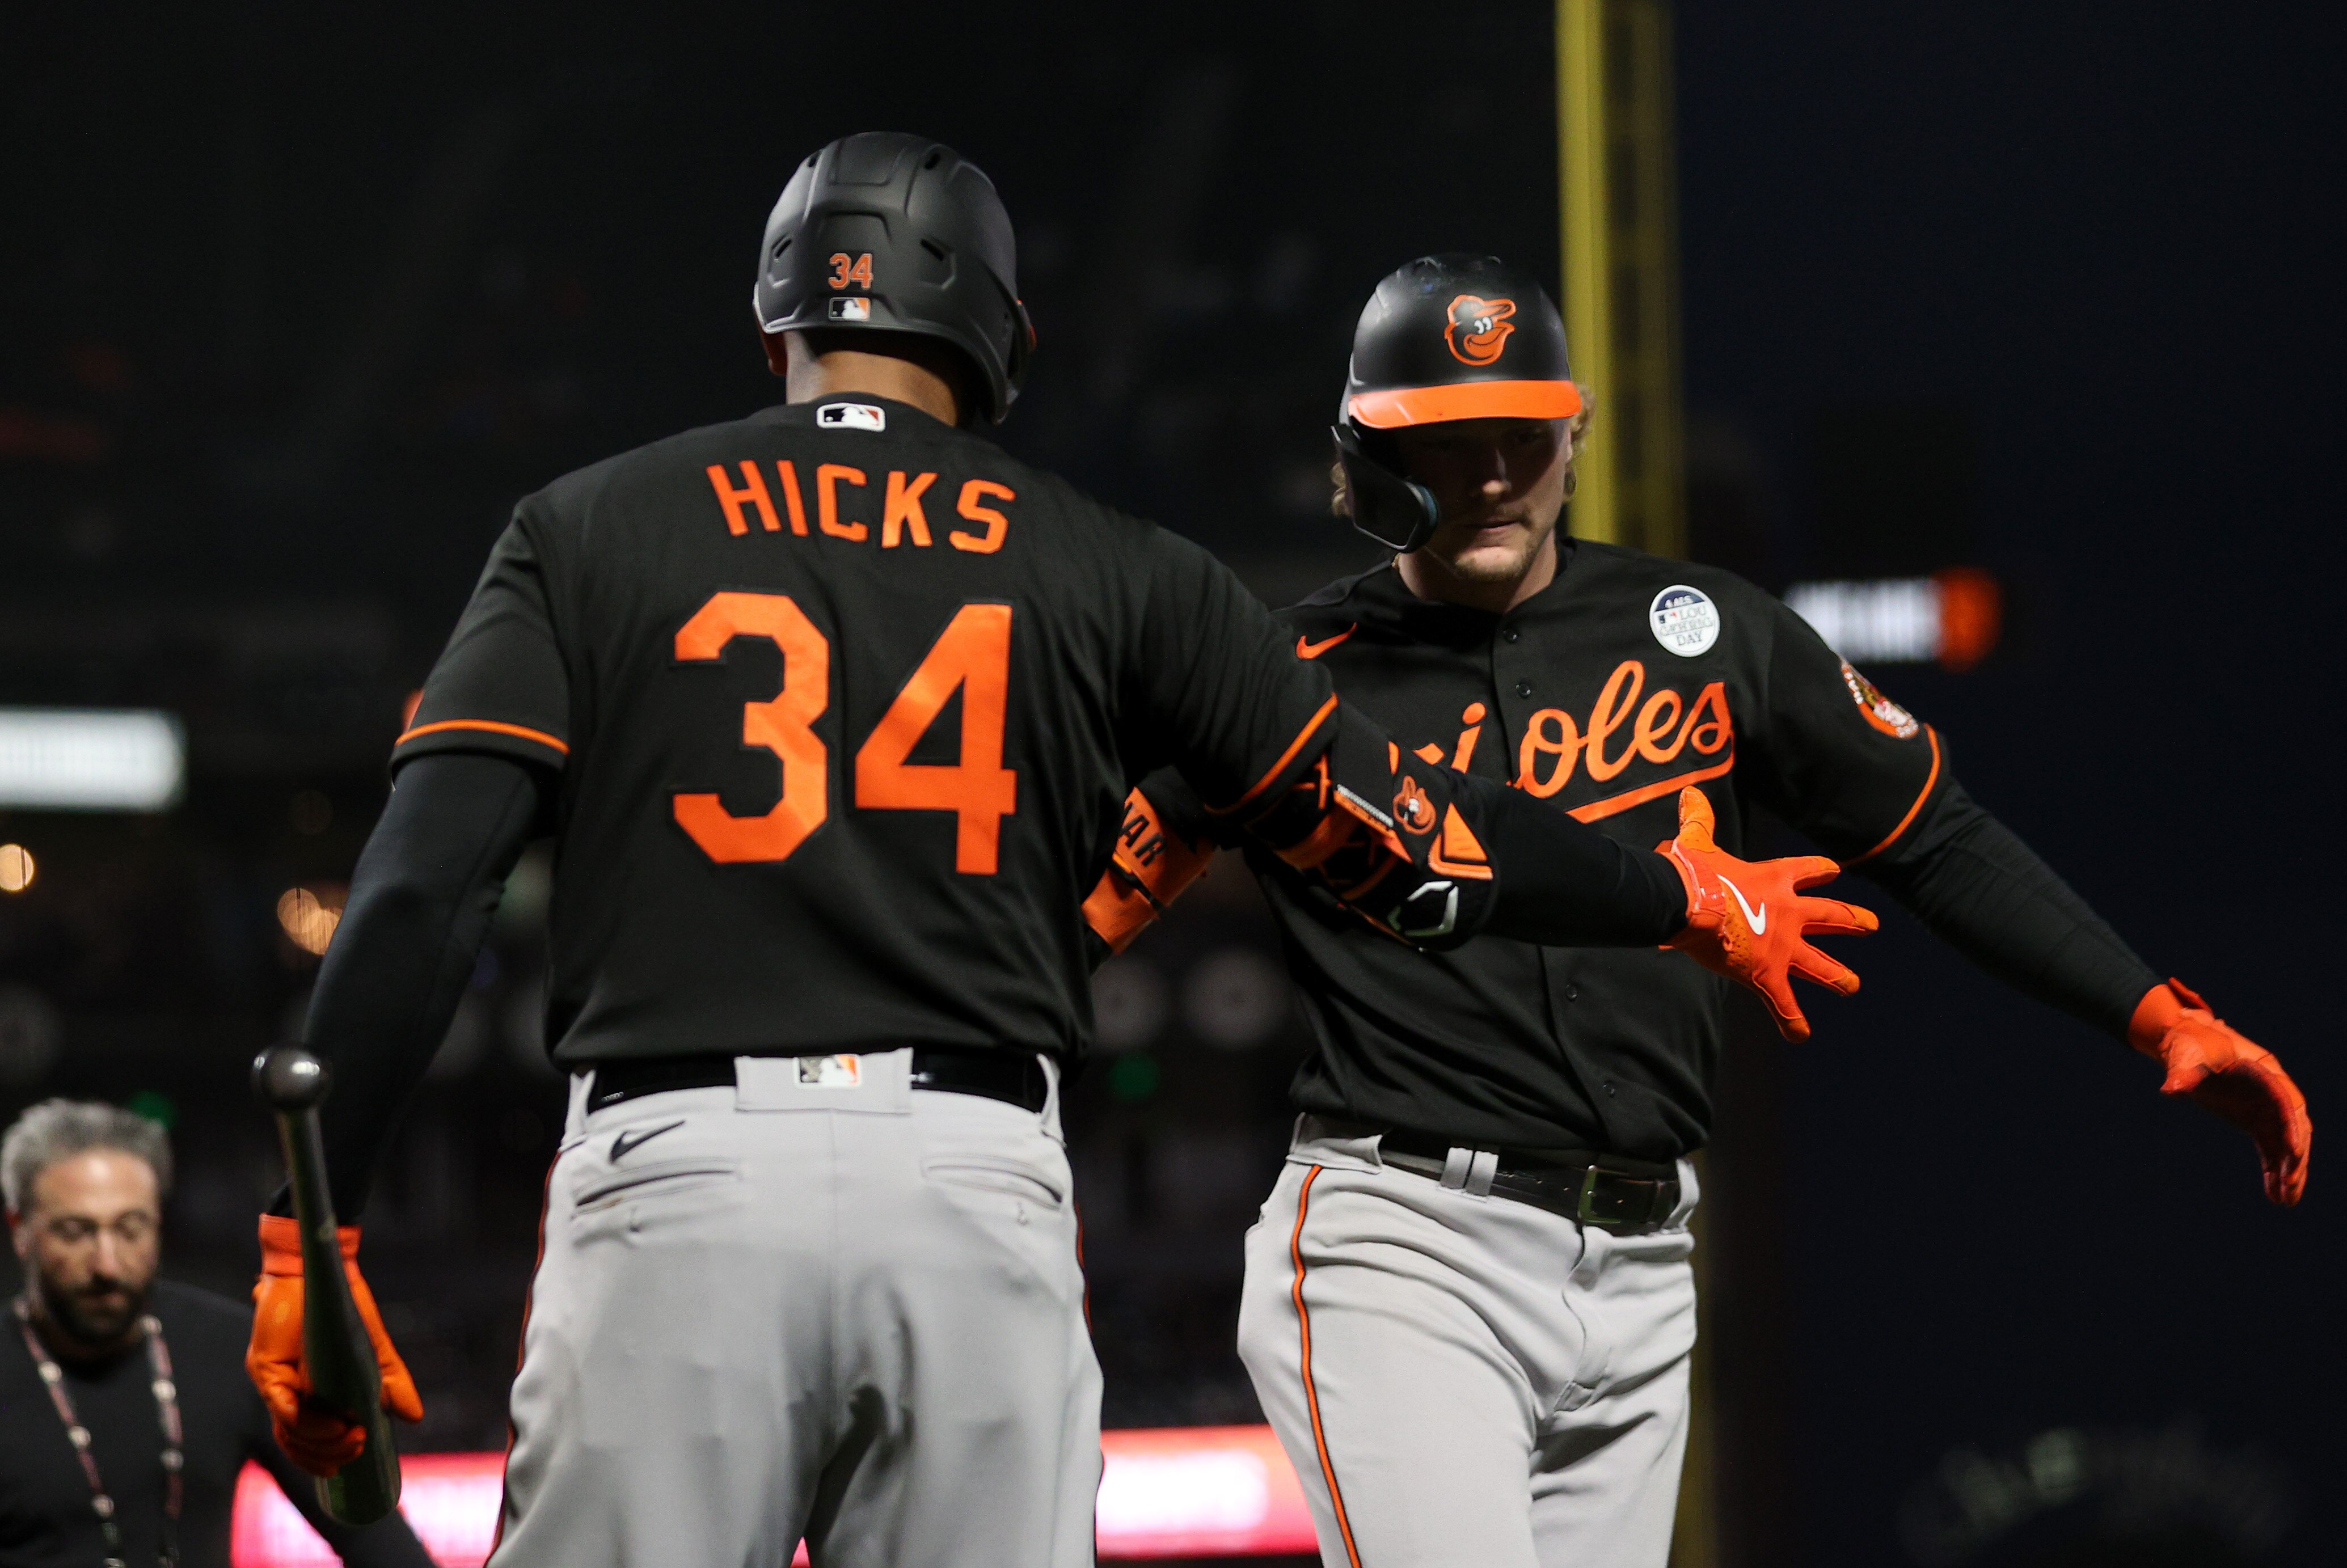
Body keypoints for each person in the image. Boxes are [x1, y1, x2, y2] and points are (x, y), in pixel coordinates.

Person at [243, 138, 1875, 1568]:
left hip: (677, 1177)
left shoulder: (587, 524)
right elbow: (1411, 835)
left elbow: (419, 889)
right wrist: (1675, 883)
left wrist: (303, 1229)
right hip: (972, 1186)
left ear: (779, 326)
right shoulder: (1108, 561)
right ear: (996, 336)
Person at [1086, 253, 2313, 1568]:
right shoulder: (1287, 676)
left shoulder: (1705, 629)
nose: (1495, 471)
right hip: (1405, 1240)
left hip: (1644, 1260)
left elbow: (1937, 836)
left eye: (1522, 431)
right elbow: (1078, 902)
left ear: (1575, 431)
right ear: (1374, 455)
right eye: (1450, 438)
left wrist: (2150, 1010)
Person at [0, 1100, 433, 1568]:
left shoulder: (234, 1347)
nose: (107, 1263)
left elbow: (380, 1543)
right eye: (74, 1231)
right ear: (19, 1229)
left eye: (131, 1228)